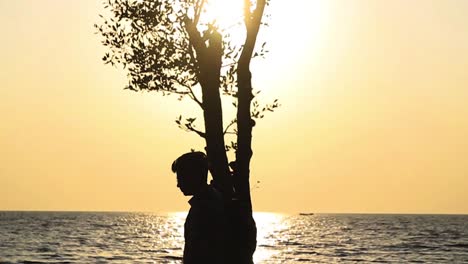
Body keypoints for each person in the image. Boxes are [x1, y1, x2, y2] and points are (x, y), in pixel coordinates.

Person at [171, 151, 226, 264]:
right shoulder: (210, 201)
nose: (178, 185)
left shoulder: (205, 207)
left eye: (180, 178)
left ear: (192, 176)